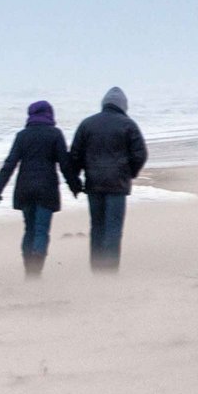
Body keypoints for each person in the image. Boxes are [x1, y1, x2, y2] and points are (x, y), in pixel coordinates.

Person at [66, 86, 148, 271]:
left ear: (104, 104)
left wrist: (75, 181)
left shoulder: (87, 124)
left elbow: (75, 155)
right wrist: (130, 173)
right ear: (123, 106)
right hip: (118, 184)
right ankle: (110, 271)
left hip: (94, 184)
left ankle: (97, 269)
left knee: (97, 227)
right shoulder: (128, 125)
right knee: (113, 229)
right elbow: (140, 154)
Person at [0, 100, 70, 277]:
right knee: (41, 230)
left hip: (24, 188)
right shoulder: (55, 134)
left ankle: (29, 269)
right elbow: (65, 164)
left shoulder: (22, 136)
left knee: (29, 229)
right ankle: (36, 268)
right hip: (46, 189)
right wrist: (74, 185)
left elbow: (10, 163)